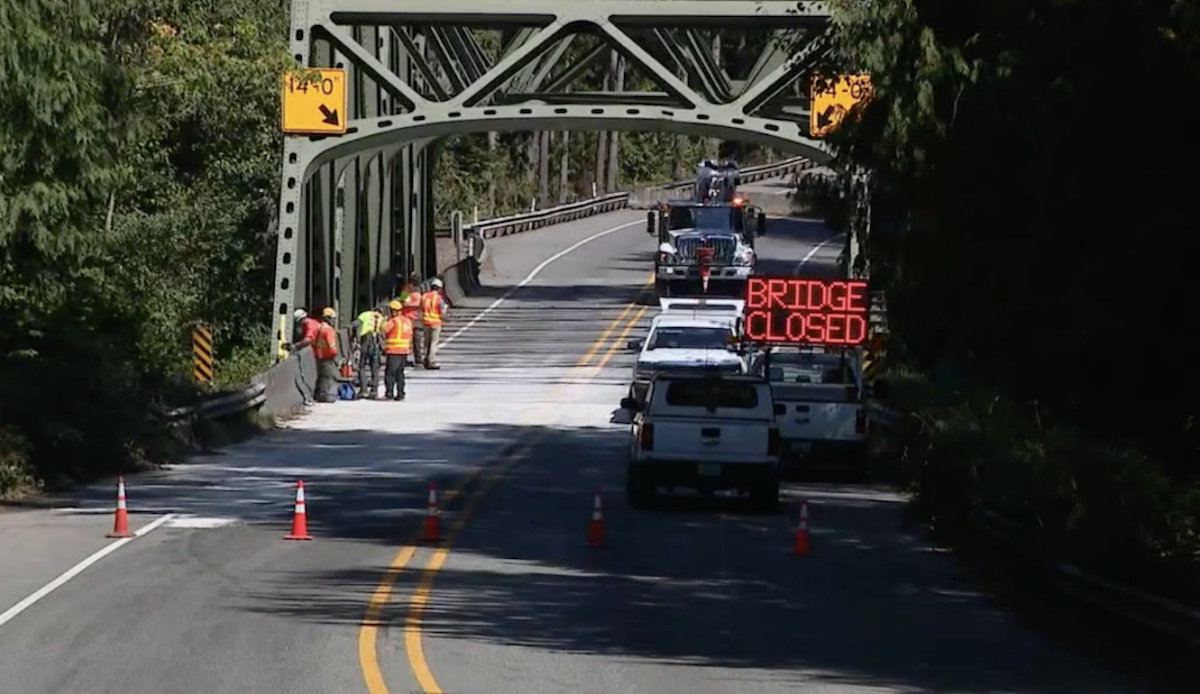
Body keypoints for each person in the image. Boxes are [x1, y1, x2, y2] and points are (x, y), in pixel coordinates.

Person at [351, 304, 387, 399]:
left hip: (365, 342)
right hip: (375, 344)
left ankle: (364, 390)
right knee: (374, 368)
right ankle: (374, 391)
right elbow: (384, 332)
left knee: (361, 366)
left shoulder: (365, 314)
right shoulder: (382, 319)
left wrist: (354, 337)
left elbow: (355, 324)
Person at [380, 300, 414, 400]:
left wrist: (383, 321)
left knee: (390, 373)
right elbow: (410, 335)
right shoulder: (407, 321)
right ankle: (400, 393)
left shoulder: (393, 321)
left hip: (394, 350)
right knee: (400, 373)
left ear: (393, 311)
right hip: (404, 350)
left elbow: (384, 329)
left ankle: (389, 393)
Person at [313, 307, 341, 403]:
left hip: (319, 355)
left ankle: (318, 394)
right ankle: (323, 395)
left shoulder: (319, 327)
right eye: (333, 319)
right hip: (327, 356)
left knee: (321, 376)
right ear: (328, 318)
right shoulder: (328, 330)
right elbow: (331, 345)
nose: (334, 322)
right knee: (327, 376)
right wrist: (335, 355)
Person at [420, 278, 448, 369]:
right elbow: (442, 310)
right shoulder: (438, 298)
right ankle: (431, 361)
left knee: (426, 342)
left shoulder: (424, 296)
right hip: (435, 322)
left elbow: (421, 307)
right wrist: (445, 317)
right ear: (439, 288)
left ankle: (425, 358)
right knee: (433, 343)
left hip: (425, 321)